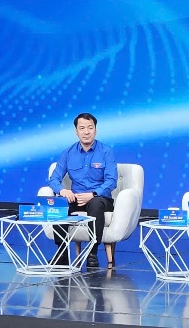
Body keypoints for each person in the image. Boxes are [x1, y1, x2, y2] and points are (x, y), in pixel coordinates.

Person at [48, 112, 117, 268]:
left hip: (100, 198)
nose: (86, 132)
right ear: (76, 131)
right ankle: (62, 254)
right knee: (60, 205)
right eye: (82, 128)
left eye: (90, 128)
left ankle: (92, 252)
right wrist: (63, 191)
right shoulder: (68, 153)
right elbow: (54, 179)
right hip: (76, 197)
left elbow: (111, 181)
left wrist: (93, 194)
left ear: (95, 130)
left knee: (96, 204)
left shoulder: (106, 152)